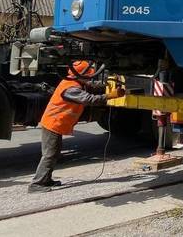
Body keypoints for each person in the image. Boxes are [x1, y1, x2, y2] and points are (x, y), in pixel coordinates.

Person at [28, 61, 124, 193]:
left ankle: (46, 179)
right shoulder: (71, 89)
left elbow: (92, 85)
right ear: (81, 75)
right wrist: (110, 95)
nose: (90, 79)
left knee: (54, 153)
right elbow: (89, 99)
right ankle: (36, 184)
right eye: (88, 76)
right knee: (49, 154)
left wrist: (108, 83)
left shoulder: (74, 81)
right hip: (53, 123)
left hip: (56, 123)